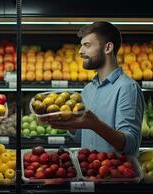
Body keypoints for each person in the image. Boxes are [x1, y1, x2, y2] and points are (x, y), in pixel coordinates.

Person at [49, 21, 145, 156]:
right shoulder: (88, 90)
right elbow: (84, 138)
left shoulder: (127, 88)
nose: (80, 51)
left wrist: (95, 125)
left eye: (87, 45)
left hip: (115, 175)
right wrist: (71, 125)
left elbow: (130, 144)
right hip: (89, 173)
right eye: (81, 46)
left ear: (108, 48)